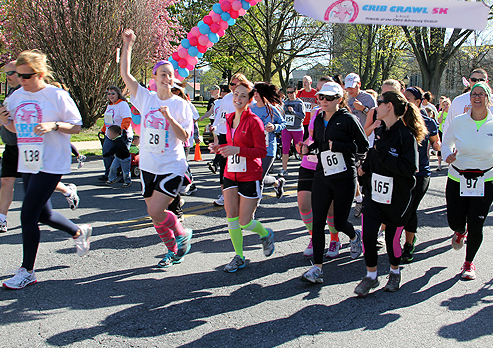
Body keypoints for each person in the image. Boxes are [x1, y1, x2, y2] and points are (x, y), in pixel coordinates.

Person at [1, 50, 92, 289]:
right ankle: (78, 232)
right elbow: (14, 129)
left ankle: (27, 271)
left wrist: (54, 125)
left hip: (52, 162)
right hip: (28, 161)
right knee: (44, 214)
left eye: (26, 76)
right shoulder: (15, 97)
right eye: (17, 76)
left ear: (40, 74)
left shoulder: (56, 95)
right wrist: (4, 121)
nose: (21, 80)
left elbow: (77, 127)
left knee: (27, 215)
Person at [120, 29, 193, 268]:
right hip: (148, 166)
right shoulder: (146, 98)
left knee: (155, 210)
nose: (166, 78)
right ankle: (172, 251)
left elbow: (185, 138)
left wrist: (170, 118)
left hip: (172, 165)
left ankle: (182, 234)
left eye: (170, 75)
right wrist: (128, 44)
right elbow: (125, 74)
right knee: (155, 216)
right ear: (155, 77)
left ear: (173, 79)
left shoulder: (180, 105)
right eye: (162, 74)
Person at [354, 91, 427, 297]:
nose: (376, 107)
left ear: (390, 107)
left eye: (380, 103)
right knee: (367, 236)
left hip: (397, 198)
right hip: (375, 194)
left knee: (391, 240)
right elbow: (374, 154)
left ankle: (394, 272)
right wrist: (365, 168)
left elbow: (409, 168)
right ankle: (371, 275)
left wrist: (384, 156)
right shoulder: (380, 130)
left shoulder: (406, 135)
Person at [300, 82, 368, 284]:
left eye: (329, 98)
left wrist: (339, 146)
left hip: (344, 177)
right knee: (318, 221)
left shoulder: (349, 119)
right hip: (322, 175)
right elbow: (320, 146)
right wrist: (307, 149)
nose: (323, 101)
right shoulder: (318, 119)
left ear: (339, 99)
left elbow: (363, 146)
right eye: (321, 97)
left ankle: (354, 236)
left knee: (338, 222)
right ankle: (317, 268)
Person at [209, 82, 274, 273]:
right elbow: (229, 145)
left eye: (243, 96)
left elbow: (261, 151)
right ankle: (239, 256)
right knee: (231, 218)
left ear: (250, 99)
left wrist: (238, 150)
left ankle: (265, 233)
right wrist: (218, 149)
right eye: (236, 94)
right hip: (230, 173)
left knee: (245, 221)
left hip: (250, 174)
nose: (238, 98)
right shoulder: (228, 118)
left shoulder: (255, 121)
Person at [442, 82, 493, 280]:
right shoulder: (460, 121)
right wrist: (447, 155)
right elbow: (447, 142)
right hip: (457, 176)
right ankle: (459, 231)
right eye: (474, 94)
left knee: (477, 223)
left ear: (488, 98)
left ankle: (469, 262)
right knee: (455, 219)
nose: (477, 97)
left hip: (485, 178)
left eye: (481, 94)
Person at [296, 76, 343, 258]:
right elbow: (311, 138)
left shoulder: (343, 117)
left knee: (330, 208)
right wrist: (303, 146)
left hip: (330, 165)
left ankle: (334, 239)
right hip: (310, 162)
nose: (321, 99)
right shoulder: (315, 113)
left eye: (326, 95)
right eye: (319, 94)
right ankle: (314, 237)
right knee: (303, 204)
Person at [401, 87, 440, 263]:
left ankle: (408, 244)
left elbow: (436, 142)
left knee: (410, 209)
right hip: (400, 172)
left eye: (407, 98)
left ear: (418, 102)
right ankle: (391, 238)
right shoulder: (396, 120)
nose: (404, 100)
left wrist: (440, 146)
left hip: (421, 172)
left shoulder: (428, 123)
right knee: (399, 209)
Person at [212, 74, 250, 206]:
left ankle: (241, 194)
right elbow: (220, 114)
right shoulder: (227, 98)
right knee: (224, 166)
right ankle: (225, 196)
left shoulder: (247, 98)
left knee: (238, 166)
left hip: (238, 136)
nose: (233, 87)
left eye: (236, 84)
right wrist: (215, 127)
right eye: (231, 84)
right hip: (224, 134)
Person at [345, 73, 377, 218]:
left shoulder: (368, 98)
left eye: (352, 88)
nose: (349, 91)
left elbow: (377, 117)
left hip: (366, 140)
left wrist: (363, 109)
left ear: (359, 84)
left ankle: (366, 202)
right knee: (353, 172)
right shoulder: (346, 98)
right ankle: (359, 200)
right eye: (347, 88)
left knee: (363, 172)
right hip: (350, 140)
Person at [250, 82, 286, 199]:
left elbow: (283, 124)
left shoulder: (272, 109)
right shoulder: (250, 108)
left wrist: (274, 127)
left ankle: (255, 205)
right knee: (253, 176)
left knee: (258, 178)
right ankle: (277, 183)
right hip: (252, 148)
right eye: (254, 91)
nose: (254, 94)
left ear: (263, 94)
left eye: (257, 92)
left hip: (268, 148)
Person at [0, 61, 21, 233]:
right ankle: (2, 219)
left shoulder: (28, 94)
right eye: (6, 73)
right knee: (6, 181)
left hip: (27, 146)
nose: (8, 77)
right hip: (10, 145)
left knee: (38, 184)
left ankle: (67, 189)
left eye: (11, 73)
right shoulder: (11, 93)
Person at [99, 85, 133, 181]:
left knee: (122, 157)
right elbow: (108, 120)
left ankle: (125, 176)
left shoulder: (122, 104)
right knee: (107, 153)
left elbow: (127, 118)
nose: (111, 96)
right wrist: (103, 130)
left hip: (122, 135)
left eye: (113, 93)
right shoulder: (110, 105)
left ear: (118, 94)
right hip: (110, 135)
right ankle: (109, 174)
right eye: (108, 94)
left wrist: (122, 132)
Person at [443, 68, 491, 135]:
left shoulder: (491, 100)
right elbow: (448, 126)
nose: (477, 82)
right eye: (474, 80)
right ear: (470, 81)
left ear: (487, 82)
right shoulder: (458, 101)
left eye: (481, 80)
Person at [280, 85, 305, 176]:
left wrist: (293, 112)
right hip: (287, 129)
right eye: (288, 93)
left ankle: (306, 167)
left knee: (300, 149)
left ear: (296, 92)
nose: (290, 94)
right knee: (285, 149)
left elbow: (303, 116)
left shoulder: (299, 103)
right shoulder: (285, 103)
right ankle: (284, 169)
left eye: (291, 92)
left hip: (297, 129)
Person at [297, 75, 317, 141]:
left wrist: (315, 105)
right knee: (300, 140)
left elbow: (320, 105)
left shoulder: (315, 93)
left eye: (306, 82)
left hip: (311, 121)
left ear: (310, 82)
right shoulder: (299, 93)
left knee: (308, 140)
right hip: (301, 120)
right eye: (303, 82)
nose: (304, 84)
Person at [436, 97, 451, 171]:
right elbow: (439, 121)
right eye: (444, 105)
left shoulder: (451, 113)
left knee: (450, 147)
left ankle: (449, 164)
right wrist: (442, 112)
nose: (445, 106)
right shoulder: (440, 113)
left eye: (447, 104)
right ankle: (439, 164)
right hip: (442, 131)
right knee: (440, 147)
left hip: (449, 132)